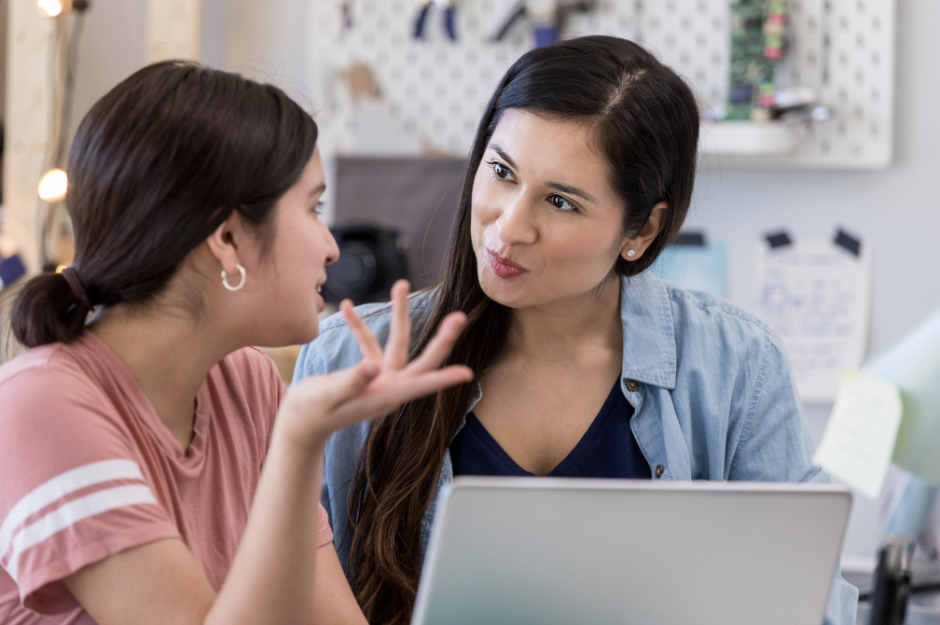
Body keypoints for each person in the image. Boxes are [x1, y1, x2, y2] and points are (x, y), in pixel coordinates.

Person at [295, 35, 859, 625]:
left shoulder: (736, 366)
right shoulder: (344, 359)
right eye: (502, 171)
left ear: (642, 228)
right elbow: (283, 594)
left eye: (561, 202)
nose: (508, 228)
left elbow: (814, 603)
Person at [0, 61, 472, 625]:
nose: (330, 246)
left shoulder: (245, 381)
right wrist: (302, 439)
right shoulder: (39, 407)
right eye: (313, 208)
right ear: (226, 239)